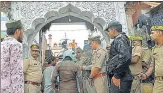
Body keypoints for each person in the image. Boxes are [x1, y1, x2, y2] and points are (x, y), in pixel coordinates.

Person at [105, 21, 133, 93]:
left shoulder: (119, 39)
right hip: (122, 75)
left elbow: (125, 57)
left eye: (108, 31)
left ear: (113, 30)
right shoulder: (120, 39)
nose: (108, 33)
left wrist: (117, 75)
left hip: (121, 77)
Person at [1, 20, 24, 93]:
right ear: (18, 31)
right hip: (11, 89)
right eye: (22, 31)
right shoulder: (16, 45)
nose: (23, 34)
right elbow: (16, 71)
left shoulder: (1, 44)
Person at [140, 26, 163, 93]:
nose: (150, 35)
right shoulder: (154, 49)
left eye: (152, 33)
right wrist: (146, 75)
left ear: (160, 33)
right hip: (159, 82)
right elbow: (152, 65)